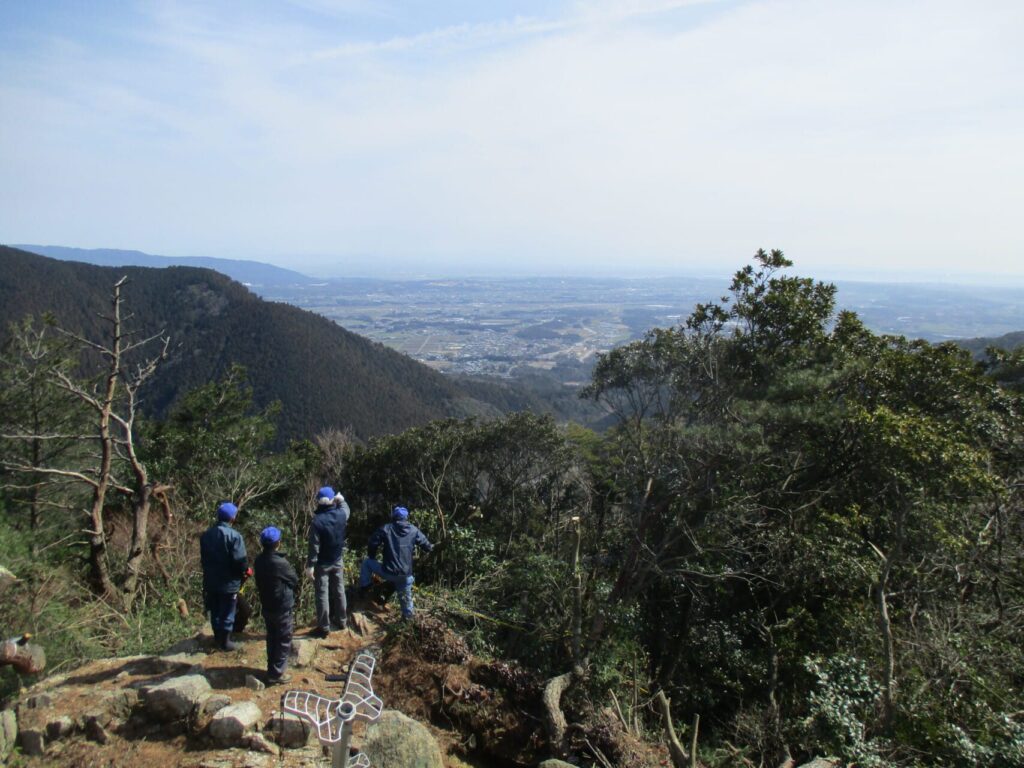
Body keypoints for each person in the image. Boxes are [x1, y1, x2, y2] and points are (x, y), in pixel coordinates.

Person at [358, 506, 433, 619]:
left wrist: (372, 556)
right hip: (405, 575)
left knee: (367, 563)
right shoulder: (413, 530)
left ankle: (365, 587)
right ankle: (407, 619)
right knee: (406, 601)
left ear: (393, 517)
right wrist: (432, 547)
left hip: (388, 572)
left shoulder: (386, 528)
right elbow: (427, 546)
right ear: (406, 517)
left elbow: (372, 543)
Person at [199, 502, 249, 651]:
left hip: (210, 580)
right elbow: (240, 560)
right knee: (228, 611)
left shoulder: (206, 535)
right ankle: (225, 642)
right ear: (232, 518)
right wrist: (245, 571)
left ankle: (217, 638)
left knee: (215, 610)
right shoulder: (234, 536)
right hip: (229, 582)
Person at [253, 526, 298, 685]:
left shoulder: (259, 560)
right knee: (283, 638)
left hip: (267, 604)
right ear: (278, 543)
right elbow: (294, 579)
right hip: (282, 606)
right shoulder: (280, 562)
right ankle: (276, 673)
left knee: (272, 637)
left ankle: (271, 668)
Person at [306, 486, 350, 638]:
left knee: (322, 594)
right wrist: (341, 500)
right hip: (337, 559)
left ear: (318, 501)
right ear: (332, 500)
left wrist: (310, 565)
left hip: (322, 563)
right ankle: (342, 620)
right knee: (339, 589)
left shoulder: (317, 521)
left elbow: (314, 546)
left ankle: (324, 627)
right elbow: (346, 509)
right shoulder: (341, 514)